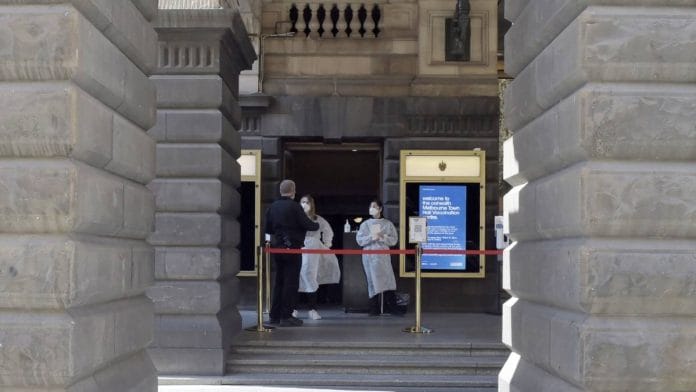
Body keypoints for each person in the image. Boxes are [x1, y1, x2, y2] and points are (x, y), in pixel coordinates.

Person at [264, 180, 320, 327]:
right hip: (293, 249)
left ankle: (274, 316)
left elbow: (268, 229)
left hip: (278, 249)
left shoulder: (273, 207)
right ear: (293, 191)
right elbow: (308, 225)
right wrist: (317, 224)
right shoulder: (295, 207)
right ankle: (286, 315)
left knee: (279, 282)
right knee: (291, 282)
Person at [294, 195, 341, 320]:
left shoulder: (317, 219)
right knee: (296, 277)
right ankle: (293, 309)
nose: (304, 204)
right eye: (302, 202)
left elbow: (328, 231)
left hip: (313, 250)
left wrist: (326, 244)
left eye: (307, 202)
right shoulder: (296, 218)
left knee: (310, 276)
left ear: (311, 204)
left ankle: (312, 309)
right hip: (299, 248)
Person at [355, 199, 404, 316]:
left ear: (380, 209)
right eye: (370, 206)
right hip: (369, 256)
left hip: (383, 257)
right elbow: (360, 240)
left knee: (387, 281)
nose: (371, 209)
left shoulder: (388, 224)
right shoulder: (365, 224)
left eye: (374, 206)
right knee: (372, 281)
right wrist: (371, 237)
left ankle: (391, 307)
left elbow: (394, 240)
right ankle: (374, 308)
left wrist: (382, 237)